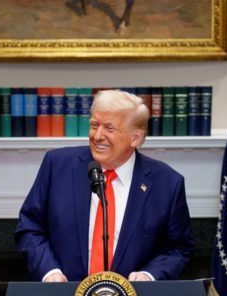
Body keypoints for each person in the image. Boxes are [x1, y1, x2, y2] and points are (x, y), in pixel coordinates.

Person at [15, 90, 194, 282]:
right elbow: (29, 228)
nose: (98, 135)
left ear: (136, 138)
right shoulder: (57, 165)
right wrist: (50, 272)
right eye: (94, 125)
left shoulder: (166, 183)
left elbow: (178, 248)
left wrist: (149, 275)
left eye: (110, 128)